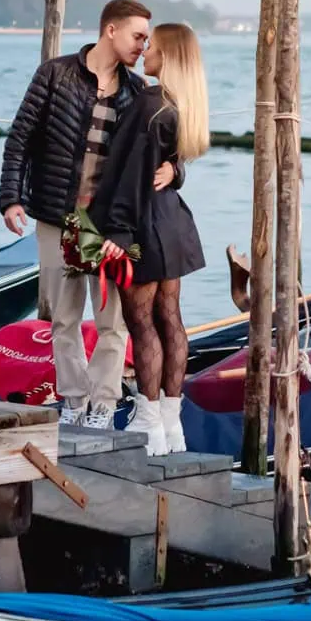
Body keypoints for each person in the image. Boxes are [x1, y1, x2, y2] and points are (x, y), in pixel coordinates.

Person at [0, 0, 175, 428]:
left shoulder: (138, 92)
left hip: (110, 223)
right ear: (110, 31)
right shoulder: (55, 74)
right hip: (56, 214)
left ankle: (104, 403)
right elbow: (20, 138)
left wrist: (177, 169)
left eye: (146, 39)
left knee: (113, 321)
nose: (142, 46)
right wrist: (11, 197)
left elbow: (166, 144)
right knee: (64, 318)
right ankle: (74, 400)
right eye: (137, 36)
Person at [89, 22, 209, 455]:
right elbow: (166, 165)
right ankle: (171, 426)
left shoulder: (149, 104)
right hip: (173, 227)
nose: (146, 53)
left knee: (142, 326)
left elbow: (130, 175)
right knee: (170, 320)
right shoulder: (182, 104)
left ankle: (147, 421)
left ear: (170, 57)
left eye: (153, 47)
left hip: (143, 225)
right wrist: (176, 171)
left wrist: (117, 231)